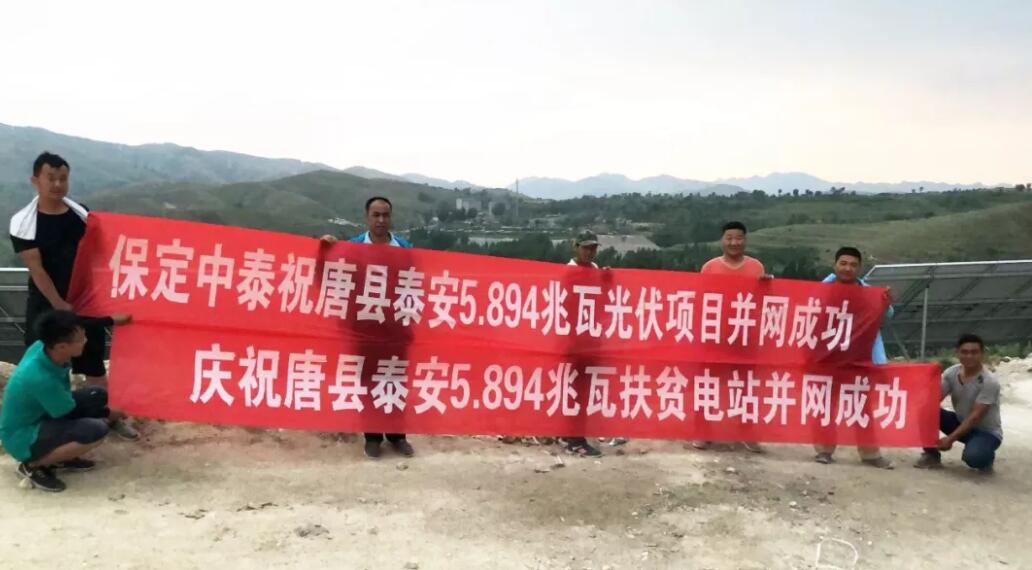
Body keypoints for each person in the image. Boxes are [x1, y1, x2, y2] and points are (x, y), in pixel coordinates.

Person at [8, 152, 139, 440]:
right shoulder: (23, 223)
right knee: (47, 362)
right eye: (50, 178)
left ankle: (108, 417)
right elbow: (37, 270)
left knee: (93, 361)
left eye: (63, 178)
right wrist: (60, 306)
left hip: (86, 299)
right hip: (47, 305)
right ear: (35, 180)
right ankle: (49, 424)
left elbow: (100, 252)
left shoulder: (81, 214)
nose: (57, 184)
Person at [321, 197, 415, 459]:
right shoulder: (353, 248)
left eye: (385, 215)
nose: (381, 220)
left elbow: (415, 285)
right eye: (376, 215)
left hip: (396, 328)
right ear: (367, 218)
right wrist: (325, 251)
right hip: (364, 327)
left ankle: (397, 436)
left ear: (391, 217)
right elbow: (330, 276)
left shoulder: (405, 248)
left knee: (394, 380)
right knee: (368, 381)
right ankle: (372, 437)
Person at [1, 310, 131, 492]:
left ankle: (59, 457)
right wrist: (110, 413)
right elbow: (69, 411)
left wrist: (111, 320)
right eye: (80, 339)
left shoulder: (44, 348)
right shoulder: (40, 378)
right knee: (96, 430)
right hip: (23, 437)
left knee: (98, 395)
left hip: (42, 413)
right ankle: (32, 466)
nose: (85, 341)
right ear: (62, 346)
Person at [813, 246, 895, 469]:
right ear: (835, 265)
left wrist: (886, 303)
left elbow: (885, 319)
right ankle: (824, 450)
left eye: (853, 265)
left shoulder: (870, 293)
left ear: (859, 268)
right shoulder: (820, 290)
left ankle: (870, 453)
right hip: (829, 356)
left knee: (862, 406)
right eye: (843, 263)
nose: (847, 268)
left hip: (860, 357)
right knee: (825, 405)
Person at [694, 221, 770, 453]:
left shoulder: (756, 267)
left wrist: (768, 287)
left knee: (745, 387)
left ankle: (746, 432)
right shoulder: (709, 267)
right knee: (708, 384)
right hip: (715, 337)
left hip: (745, 338)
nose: (734, 242)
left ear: (745, 240)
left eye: (739, 238)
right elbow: (700, 300)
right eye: (729, 238)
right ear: (722, 240)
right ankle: (703, 432)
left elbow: (764, 300)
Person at [915, 334, 1002, 473]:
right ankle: (931, 454)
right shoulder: (951, 373)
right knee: (925, 410)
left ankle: (986, 457)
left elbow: (975, 417)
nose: (969, 356)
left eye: (974, 352)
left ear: (982, 354)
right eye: (964, 352)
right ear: (957, 353)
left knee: (974, 458)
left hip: (986, 432)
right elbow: (933, 400)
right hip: (961, 422)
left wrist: (950, 439)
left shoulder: (989, 382)